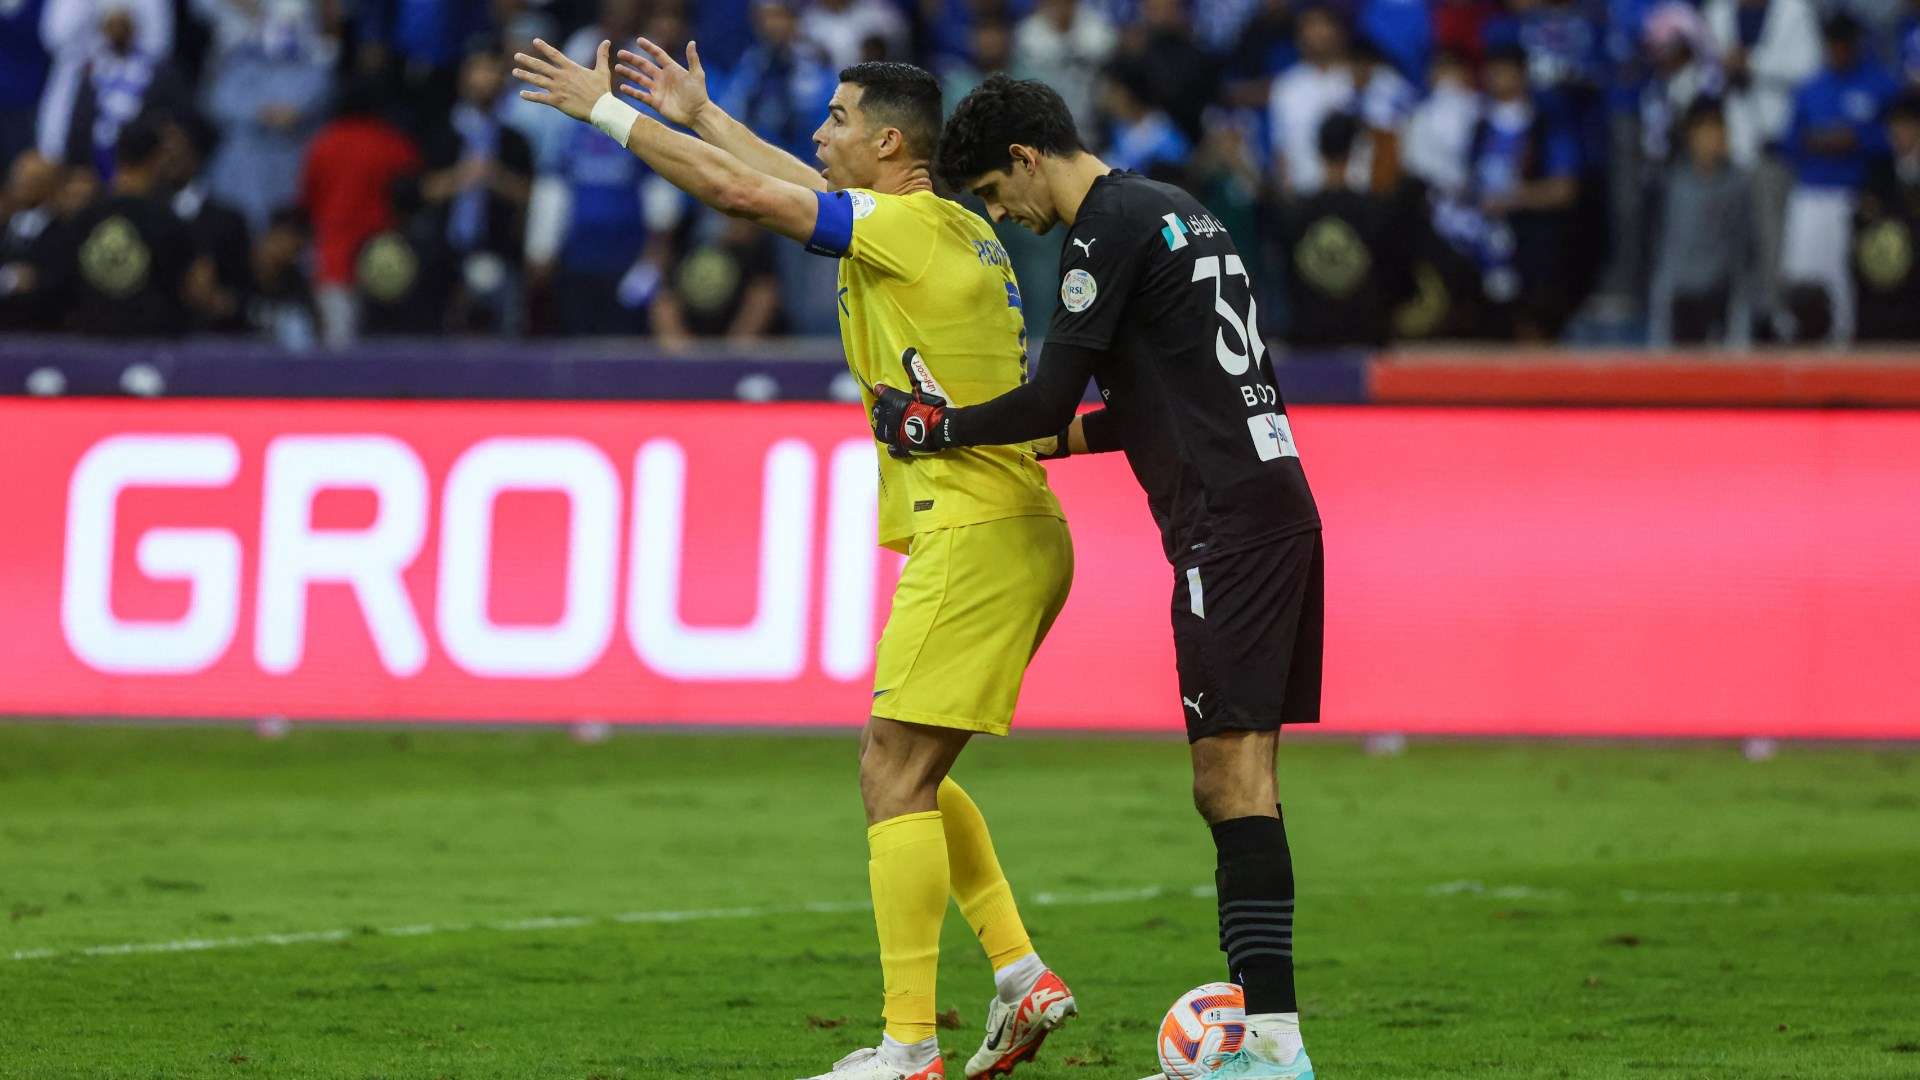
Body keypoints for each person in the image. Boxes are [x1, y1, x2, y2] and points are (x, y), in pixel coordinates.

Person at [512, 37, 1079, 1080]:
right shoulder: (947, 225)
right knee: (909, 766)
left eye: (835, 120)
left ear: (888, 140)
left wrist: (607, 114)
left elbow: (743, 193)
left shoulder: (903, 228)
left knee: (891, 773)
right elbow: (775, 173)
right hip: (1008, 528)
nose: (820, 136)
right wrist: (701, 109)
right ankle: (1019, 977)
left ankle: (911, 1046)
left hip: (975, 530)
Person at [884, 73, 1324, 1080]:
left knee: (1230, 784)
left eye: (999, 191)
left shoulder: (1106, 227)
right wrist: (1046, 451)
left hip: (1227, 530)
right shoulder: (1178, 212)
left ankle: (1272, 1046)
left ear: (1031, 158)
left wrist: (936, 428)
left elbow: (1045, 391)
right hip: (1275, 512)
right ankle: (1271, 1039)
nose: (1006, 216)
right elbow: (1140, 405)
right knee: (1246, 781)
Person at [37, 114, 219, 335]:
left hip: (88, 345)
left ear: (117, 155)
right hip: (152, 348)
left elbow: (54, 285)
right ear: (158, 159)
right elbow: (199, 291)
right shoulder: (171, 222)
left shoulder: (82, 219)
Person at [1779, 13, 1898, 343]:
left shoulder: (1879, 84)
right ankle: (1800, 339)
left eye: (1845, 45)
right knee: (1803, 276)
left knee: (1846, 280)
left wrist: (1855, 139)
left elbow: (1895, 137)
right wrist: (1815, 142)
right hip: (1811, 194)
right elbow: (1789, 142)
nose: (1839, 51)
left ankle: (1847, 344)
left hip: (1855, 197)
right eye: (1834, 45)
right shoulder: (1810, 88)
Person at [1649, 101, 1752, 344]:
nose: (1712, 138)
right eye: (1705, 130)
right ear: (1690, 135)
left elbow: (1743, 247)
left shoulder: (1737, 184)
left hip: (1720, 293)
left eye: (1718, 129)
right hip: (1680, 292)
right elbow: (1662, 245)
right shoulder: (1673, 183)